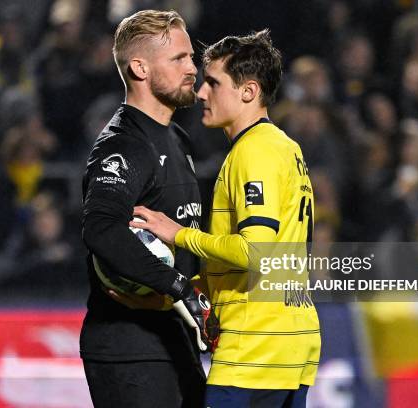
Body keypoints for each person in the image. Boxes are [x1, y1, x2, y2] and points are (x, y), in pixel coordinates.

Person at [131, 30, 321, 407]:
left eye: (213, 83)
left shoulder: (255, 153)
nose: (201, 93)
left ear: (248, 91)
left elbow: (255, 251)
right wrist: (199, 287)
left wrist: (179, 234)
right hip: (289, 339)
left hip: (255, 346)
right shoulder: (284, 147)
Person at [80, 10, 218, 408]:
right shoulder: (123, 145)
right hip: (129, 348)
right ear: (139, 67)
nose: (192, 68)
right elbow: (102, 227)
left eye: (190, 57)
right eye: (179, 59)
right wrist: (179, 287)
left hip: (174, 339)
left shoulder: (176, 136)